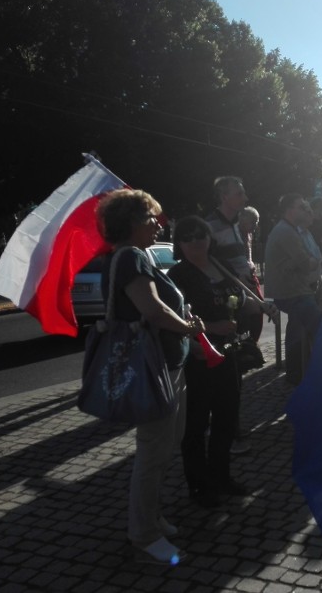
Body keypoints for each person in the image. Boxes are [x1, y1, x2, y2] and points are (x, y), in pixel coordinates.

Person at [96, 189, 205, 565]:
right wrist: (187, 329)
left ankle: (152, 515)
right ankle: (142, 532)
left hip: (167, 364)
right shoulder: (128, 258)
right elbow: (153, 311)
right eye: (151, 219)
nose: (159, 224)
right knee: (153, 451)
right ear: (131, 223)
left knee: (164, 446)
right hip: (154, 366)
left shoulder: (137, 256)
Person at [168, 216, 277, 509]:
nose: (195, 241)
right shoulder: (179, 276)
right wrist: (210, 328)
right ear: (179, 243)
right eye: (187, 237)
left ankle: (221, 477)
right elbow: (175, 319)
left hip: (228, 352)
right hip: (199, 357)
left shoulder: (220, 266)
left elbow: (242, 298)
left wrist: (263, 305)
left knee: (227, 418)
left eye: (200, 235)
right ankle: (199, 486)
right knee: (196, 423)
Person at [207, 176, 258, 455]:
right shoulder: (210, 226)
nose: (245, 197)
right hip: (226, 307)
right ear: (224, 196)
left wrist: (250, 290)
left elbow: (238, 266)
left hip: (241, 302)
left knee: (236, 369)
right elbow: (211, 269)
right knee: (228, 371)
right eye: (239, 193)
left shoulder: (236, 226)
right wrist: (239, 296)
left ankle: (230, 426)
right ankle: (226, 433)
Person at [264, 193, 322, 384]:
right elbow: (307, 262)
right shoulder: (286, 232)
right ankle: (315, 373)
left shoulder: (287, 230)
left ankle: (297, 373)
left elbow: (302, 260)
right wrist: (310, 262)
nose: (304, 210)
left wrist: (305, 262)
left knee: (297, 328)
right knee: (321, 328)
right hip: (293, 291)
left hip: (294, 289)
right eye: (300, 206)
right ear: (290, 210)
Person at [238, 206, 265, 341]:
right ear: (242, 219)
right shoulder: (234, 233)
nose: (255, 226)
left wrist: (251, 265)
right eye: (252, 222)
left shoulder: (248, 234)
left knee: (260, 307)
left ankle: (253, 341)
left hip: (250, 275)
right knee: (255, 308)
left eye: (257, 222)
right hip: (240, 278)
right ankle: (249, 342)